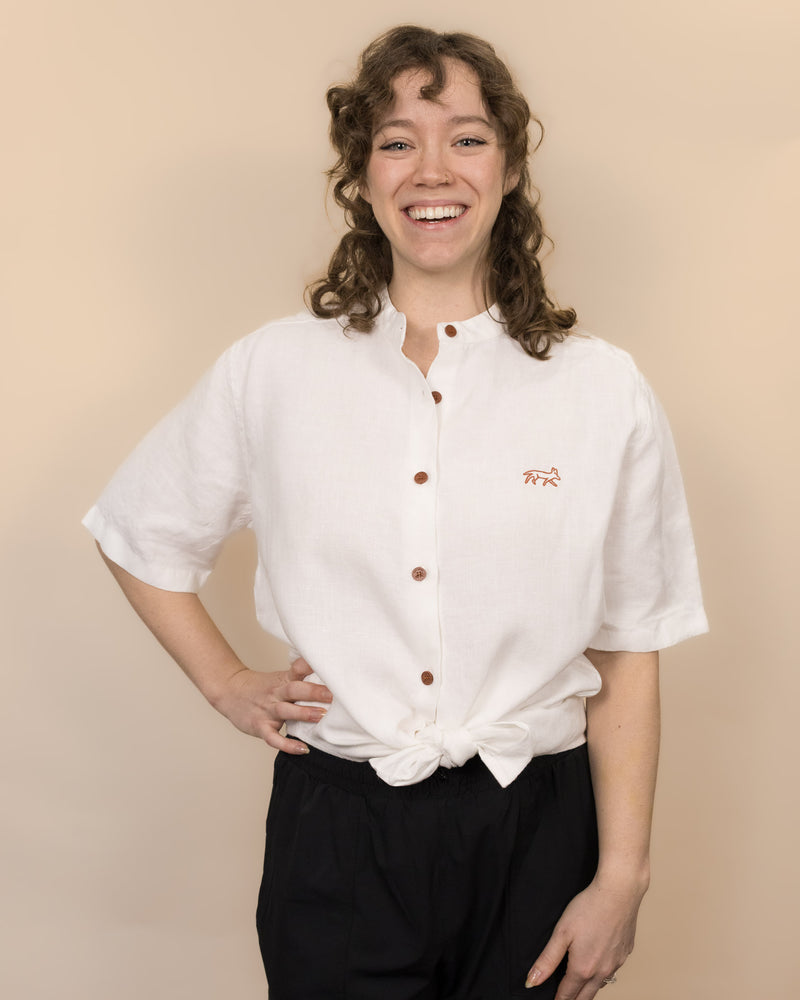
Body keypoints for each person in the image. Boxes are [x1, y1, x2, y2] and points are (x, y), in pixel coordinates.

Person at [83, 24, 707, 1000]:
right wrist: (227, 683)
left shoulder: (600, 391)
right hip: (337, 833)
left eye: (464, 136)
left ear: (506, 167)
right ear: (361, 176)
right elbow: (140, 534)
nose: (432, 169)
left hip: (535, 826)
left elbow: (629, 647)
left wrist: (620, 875)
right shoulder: (273, 370)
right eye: (394, 139)